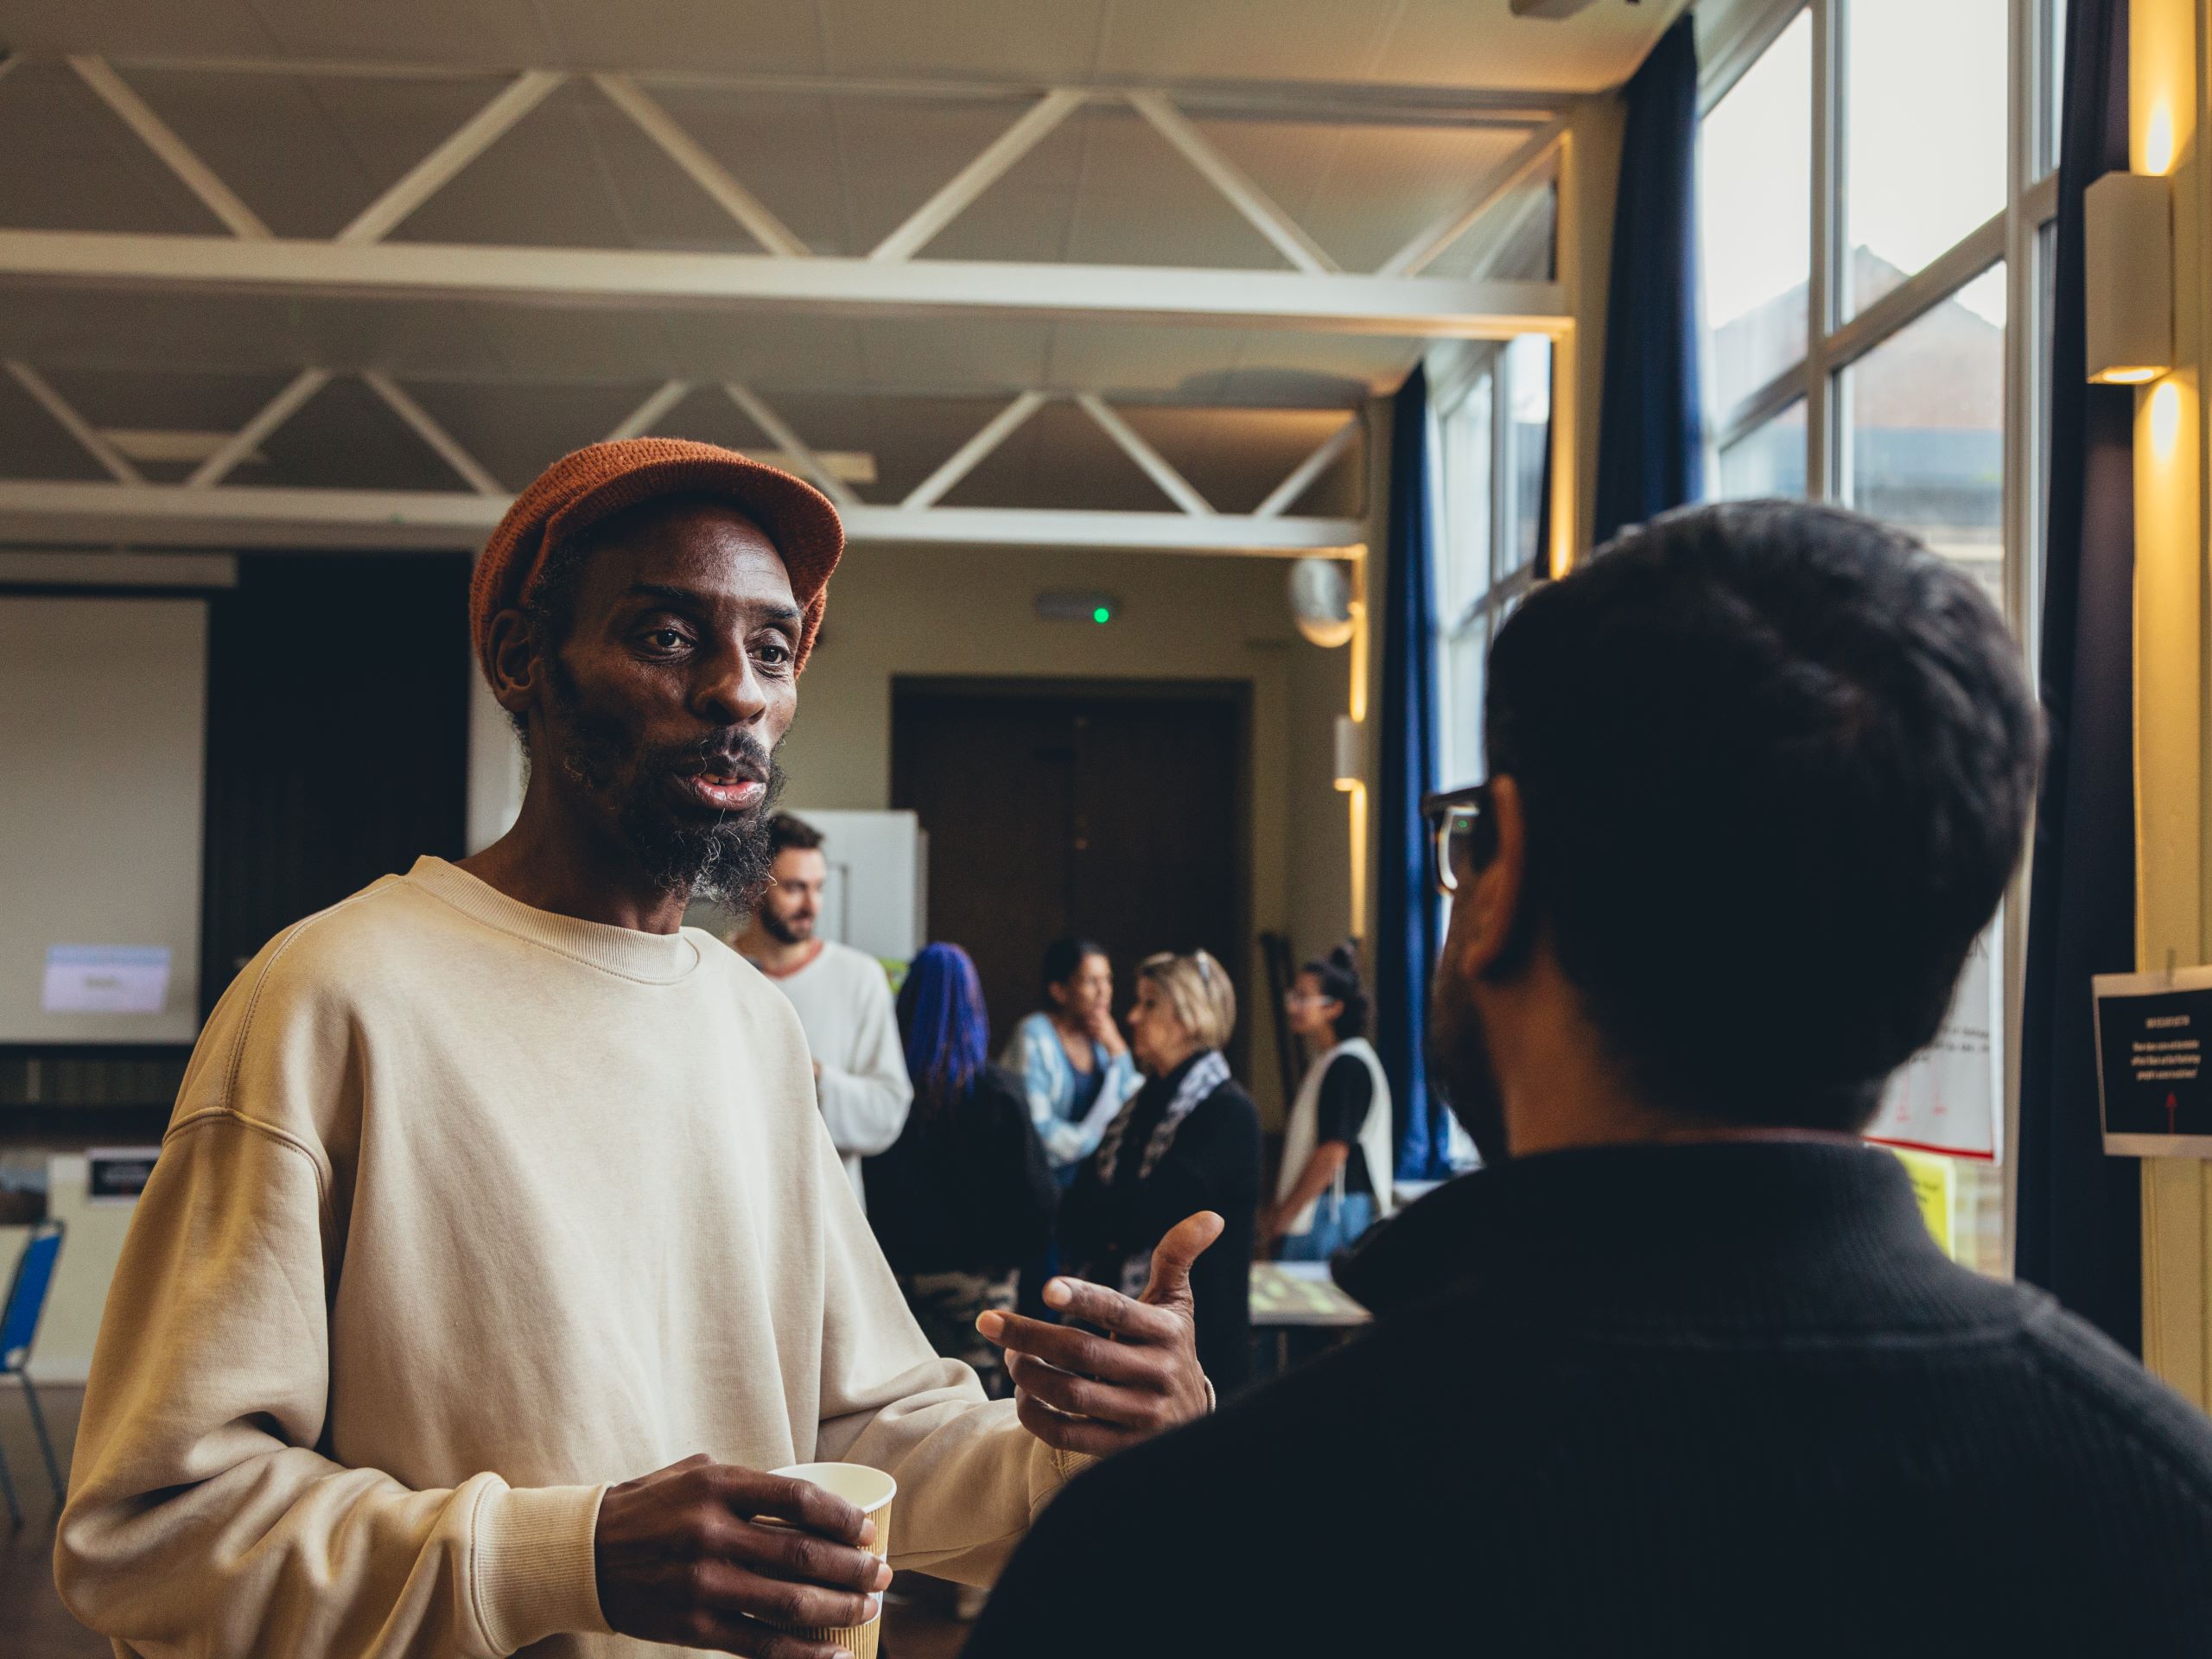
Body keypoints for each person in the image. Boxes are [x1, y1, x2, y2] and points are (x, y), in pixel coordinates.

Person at [968, 500, 2212, 1657]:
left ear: (1499, 877)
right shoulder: (2162, 1501)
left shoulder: (1175, 1553)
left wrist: (1205, 1480)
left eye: (1463, 846)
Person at [54, 438, 1219, 1659]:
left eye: (773, 650)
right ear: (522, 658)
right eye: (668, 636)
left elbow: (857, 1438)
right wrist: (566, 1561)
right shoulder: (331, 998)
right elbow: (152, 1530)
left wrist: (1092, 1447)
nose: (738, 692)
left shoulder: (747, 1023)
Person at [1052, 950, 1259, 1395]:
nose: (1131, 1016)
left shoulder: (1227, 1112)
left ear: (1187, 1018)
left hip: (1195, 1357)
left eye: (1148, 1004)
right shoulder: (1140, 1104)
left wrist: (1103, 1220)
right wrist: (1103, 1219)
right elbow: (1073, 1207)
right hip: (1117, 1341)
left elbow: (1148, 1216)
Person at [863, 943, 1058, 1399]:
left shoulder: (884, 1097)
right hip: (976, 1288)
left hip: (891, 1285)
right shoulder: (999, 1094)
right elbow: (1038, 1202)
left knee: (905, 1410)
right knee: (977, 1416)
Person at [728, 811, 912, 1206]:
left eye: (819, 887)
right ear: (750, 888)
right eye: (795, 888)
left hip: (828, 1213)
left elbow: (887, 1111)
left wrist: (814, 1078)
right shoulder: (710, 966)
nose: (812, 905)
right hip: (731, 1203)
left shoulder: (861, 978)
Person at [1259, 942, 1393, 1261]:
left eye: (1303, 998)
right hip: (1326, 1206)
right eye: (1293, 996)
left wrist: (1283, 1215)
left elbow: (1332, 1152)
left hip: (1334, 1210)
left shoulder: (1348, 1064)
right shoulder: (1330, 1061)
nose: (1292, 1006)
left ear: (1334, 1008)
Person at [1005, 938, 1141, 1176]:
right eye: (1091, 981)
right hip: (1042, 1183)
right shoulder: (1034, 1036)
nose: (1104, 992)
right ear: (1059, 991)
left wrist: (1118, 1049)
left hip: (1091, 1183)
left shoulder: (1102, 1039)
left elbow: (1134, 1102)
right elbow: (1037, 1131)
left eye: (1108, 980)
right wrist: (1097, 1142)